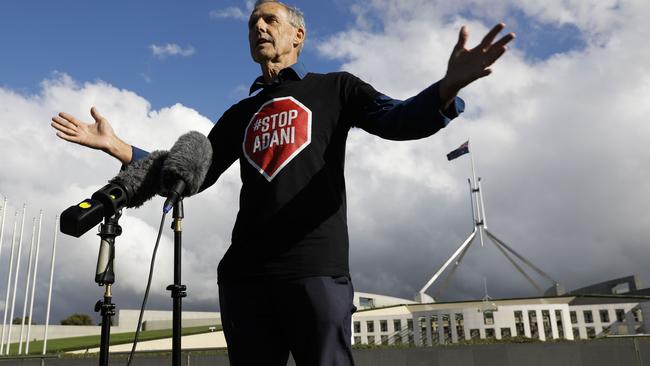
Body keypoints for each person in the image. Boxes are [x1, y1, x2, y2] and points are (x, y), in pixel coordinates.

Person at [51, 1, 515, 364]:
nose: (258, 27)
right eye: (252, 22)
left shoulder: (336, 88)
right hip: (245, 278)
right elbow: (193, 171)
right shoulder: (239, 114)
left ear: (298, 34)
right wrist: (119, 147)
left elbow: (397, 119)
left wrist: (447, 86)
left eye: (269, 19)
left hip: (314, 269)